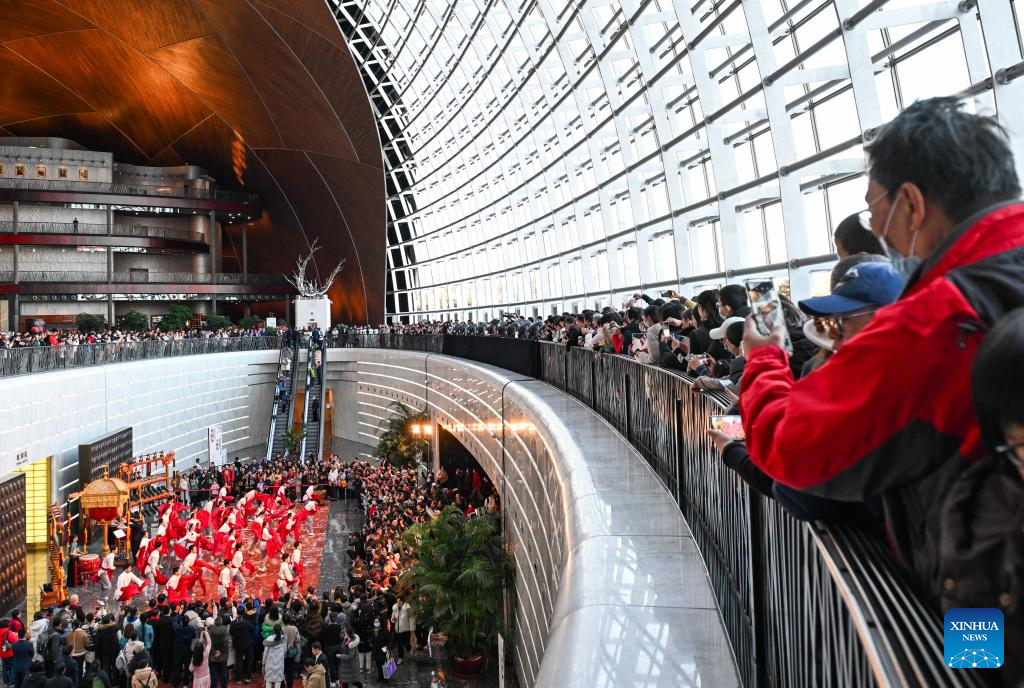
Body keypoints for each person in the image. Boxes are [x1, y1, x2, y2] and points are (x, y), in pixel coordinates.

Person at [739, 97, 1024, 586]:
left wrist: (764, 357)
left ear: (911, 204)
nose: (876, 231)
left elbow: (792, 446)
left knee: (971, 642)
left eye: (874, 212)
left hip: (985, 600)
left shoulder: (934, 323)